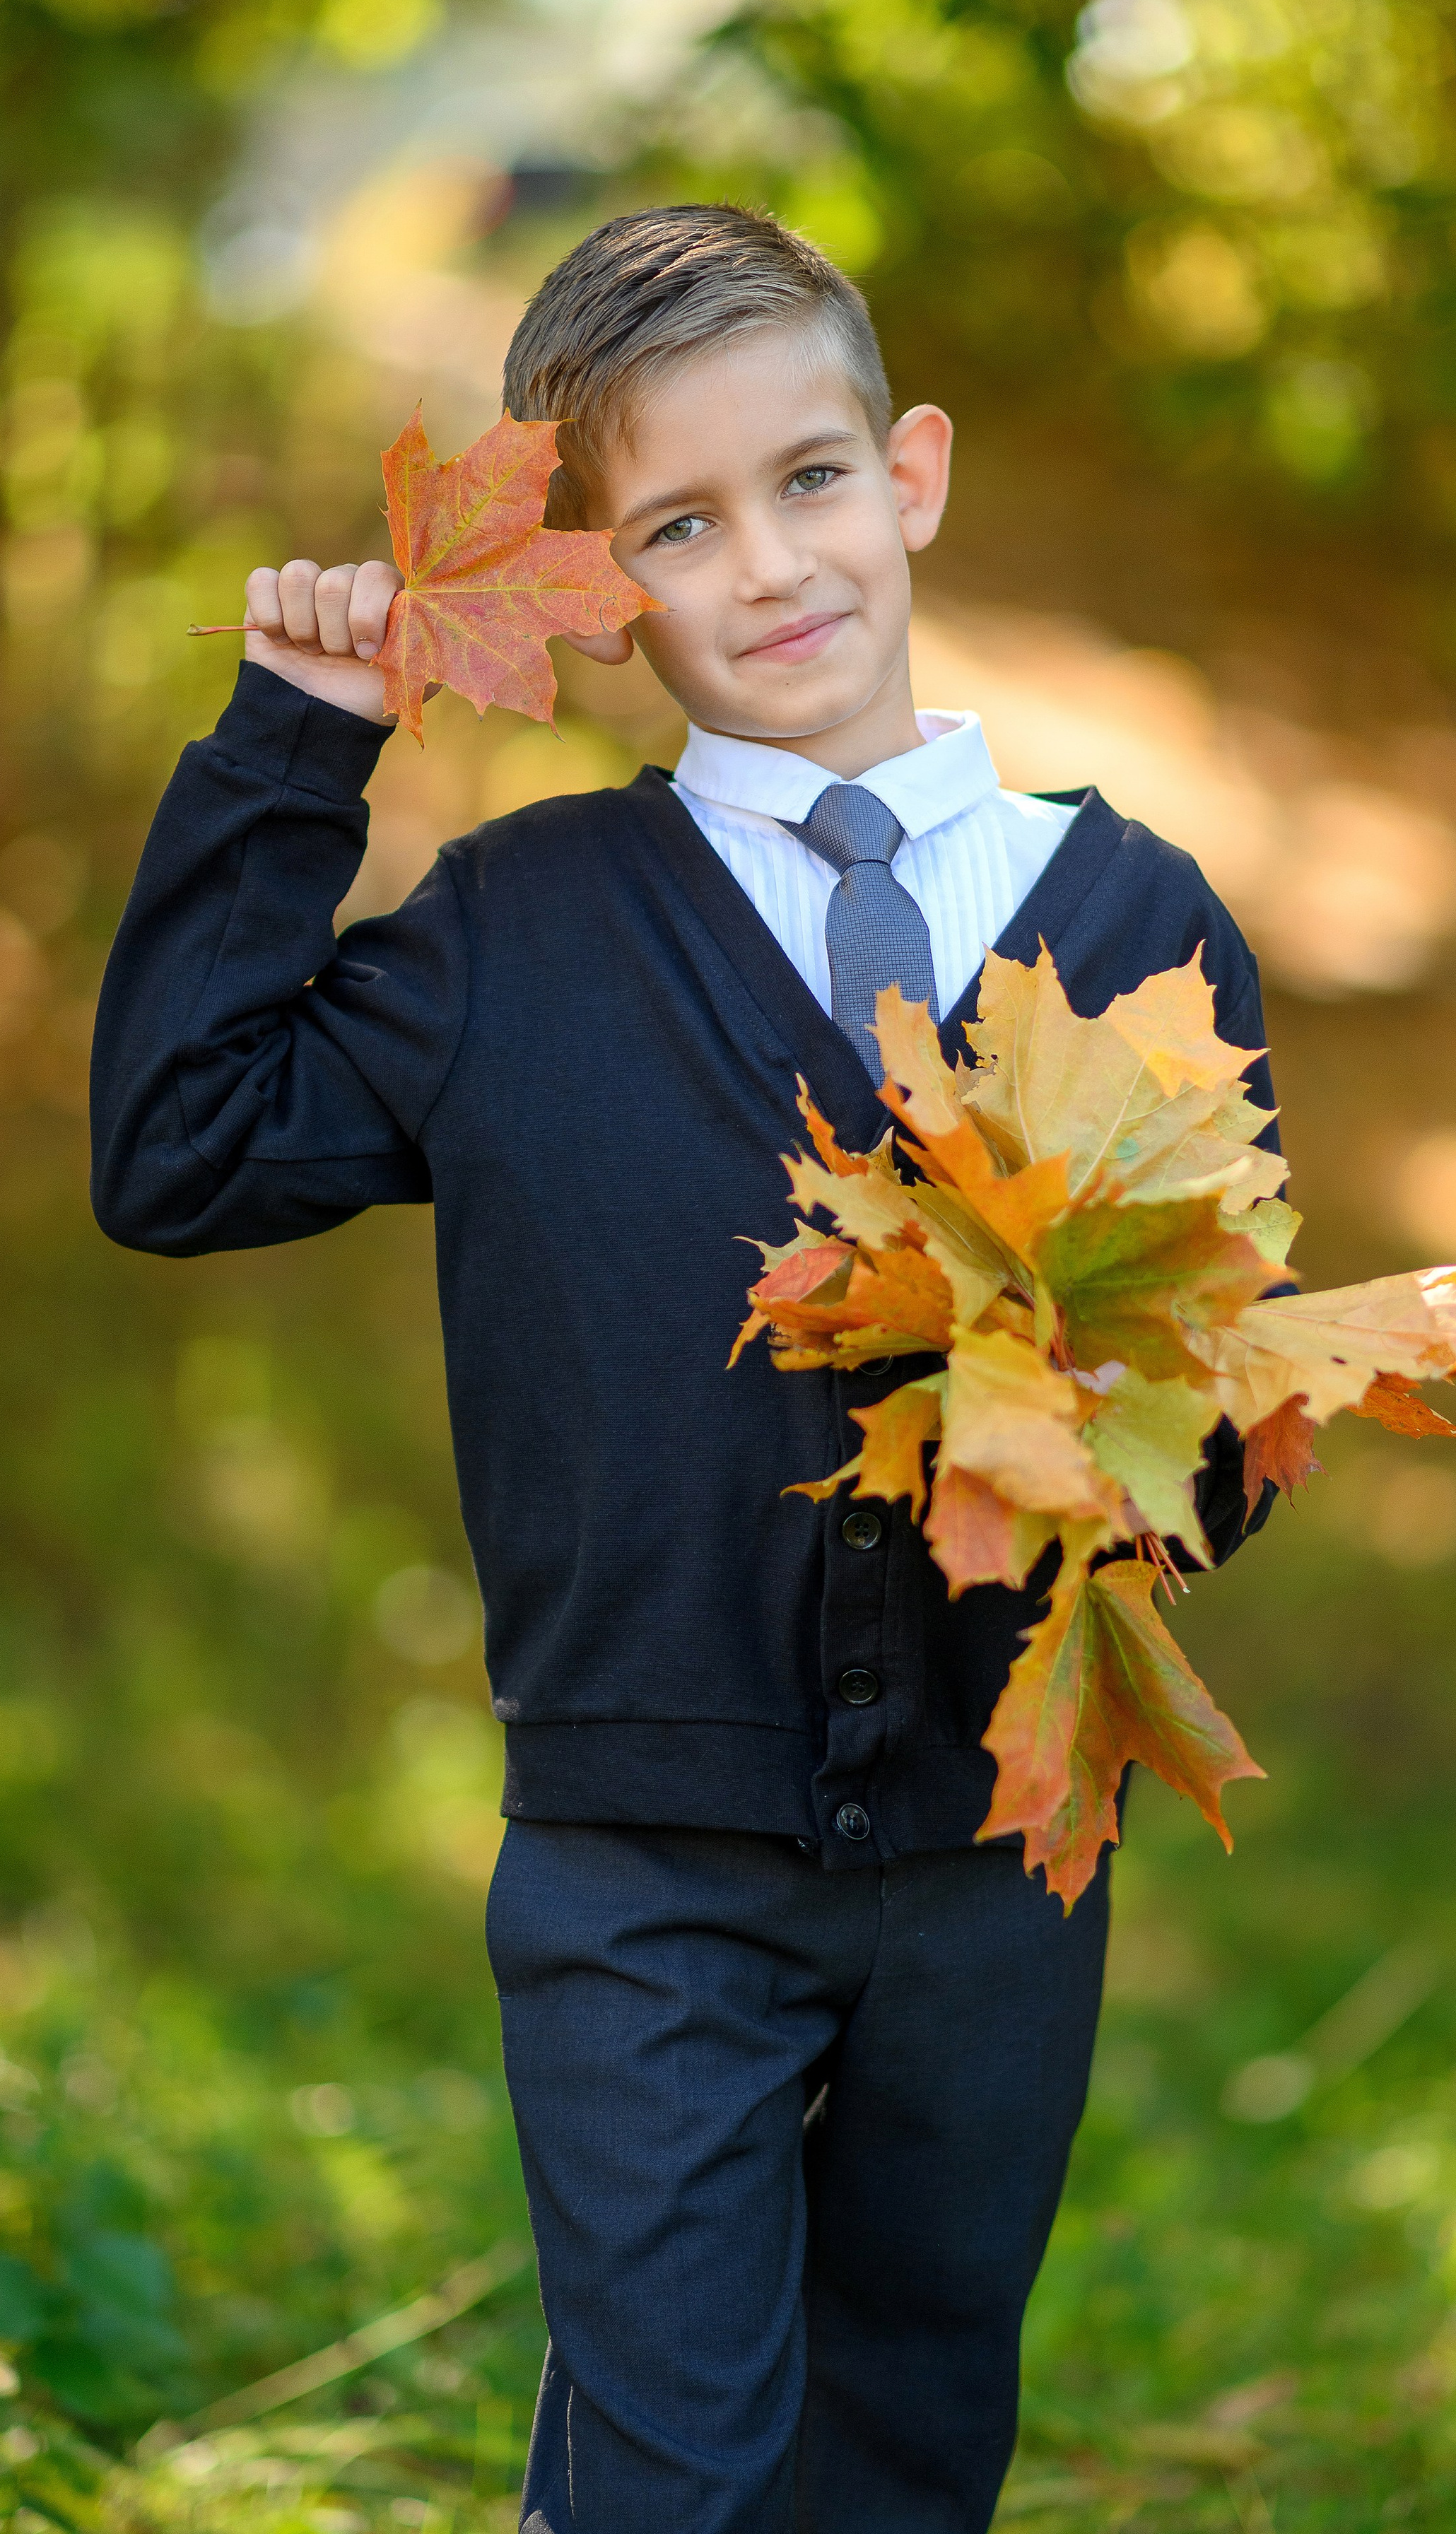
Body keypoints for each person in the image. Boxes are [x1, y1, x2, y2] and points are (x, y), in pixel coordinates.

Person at [90, 203, 1278, 2534]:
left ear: (911, 474)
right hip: (638, 1863)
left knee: (910, 2439)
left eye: (811, 482)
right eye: (678, 525)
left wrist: (1113, 1438)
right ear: (598, 577)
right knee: (667, 2476)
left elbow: (1225, 1427)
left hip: (998, 1854)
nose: (769, 567)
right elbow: (179, 1145)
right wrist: (291, 749)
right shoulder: (519, 936)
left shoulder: (1138, 924)